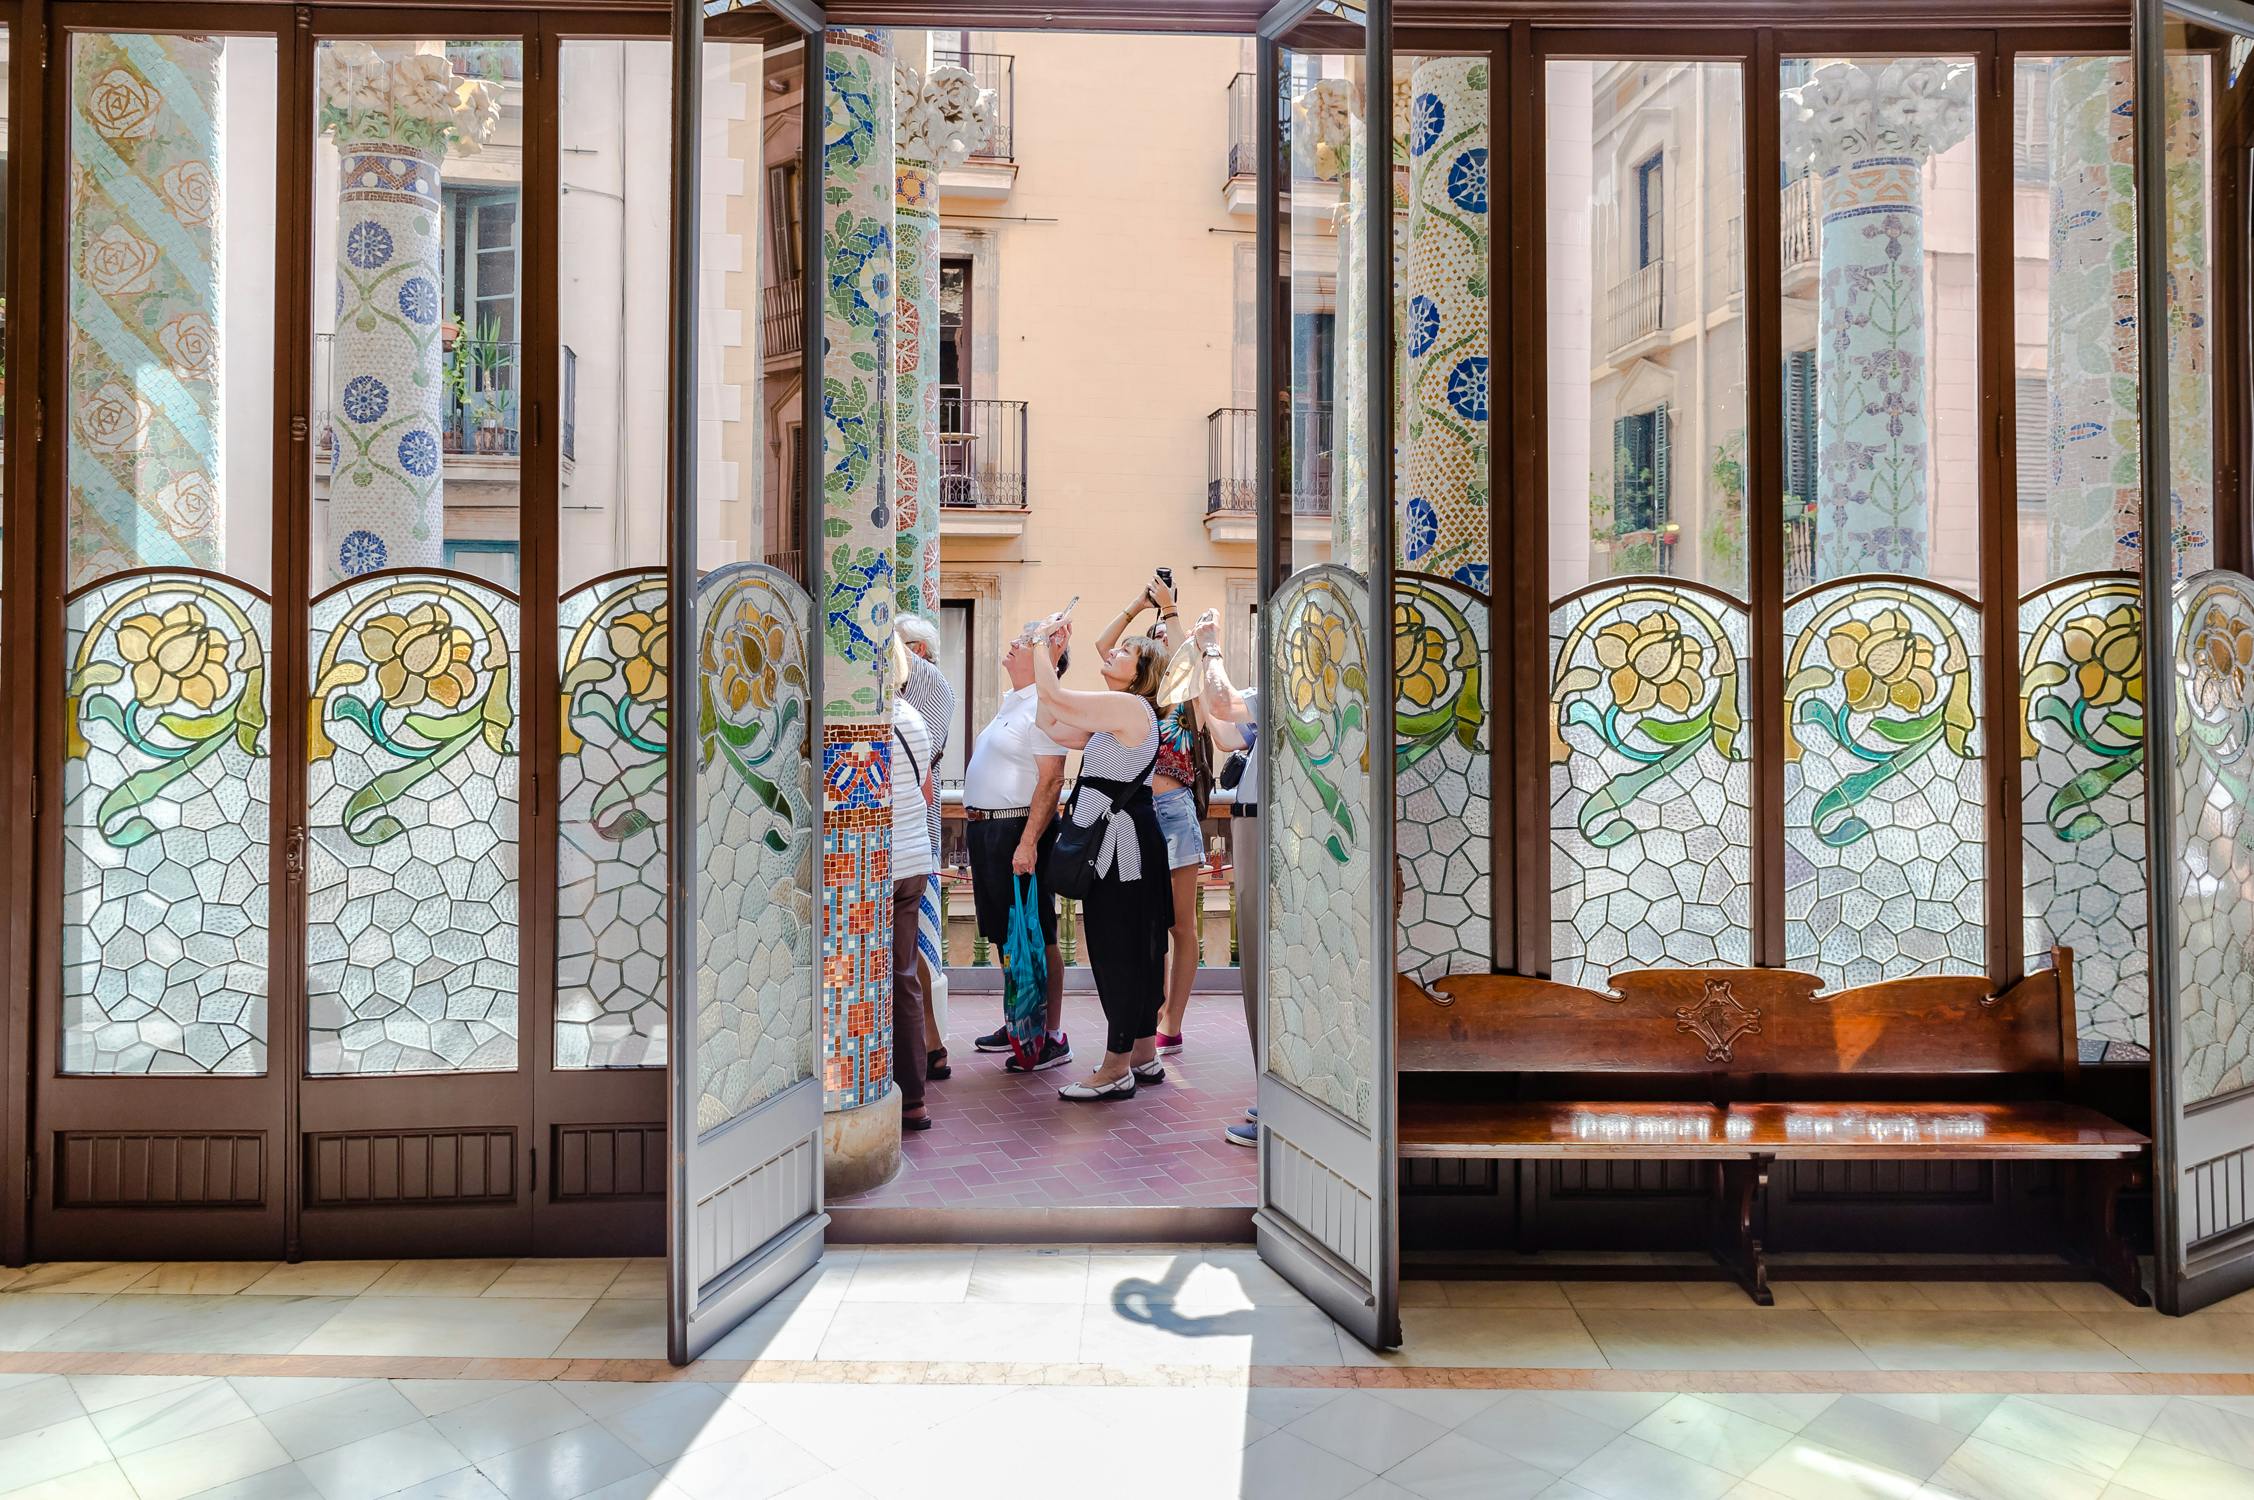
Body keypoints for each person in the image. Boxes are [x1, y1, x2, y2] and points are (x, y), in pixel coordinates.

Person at [1028, 617, 1172, 1101]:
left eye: (1125, 651)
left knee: (1117, 951)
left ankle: (1115, 1068)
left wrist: (1040, 644)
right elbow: (1050, 721)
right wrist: (1052, 660)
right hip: (1122, 846)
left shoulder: (1130, 707)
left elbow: (1055, 703)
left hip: (1121, 851)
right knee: (1132, 947)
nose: (1112, 653)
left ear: (1141, 672)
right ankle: (1143, 1054)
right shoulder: (1117, 716)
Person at [1093, 577, 1209, 1056]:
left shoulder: (1185, 702)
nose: (1162, 641)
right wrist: (1139, 604)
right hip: (1138, 814)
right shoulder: (1132, 701)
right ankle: (1150, 1014)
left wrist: (1172, 610)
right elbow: (1103, 648)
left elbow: (1192, 669)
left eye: (1168, 639)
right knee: (1148, 923)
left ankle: (1172, 1021)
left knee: (1181, 924)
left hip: (1174, 811)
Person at [962, 626, 1073, 1072]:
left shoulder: (1045, 705)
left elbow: (1052, 779)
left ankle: (1051, 1035)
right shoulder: (1013, 702)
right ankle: (1020, 1021)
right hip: (987, 831)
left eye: (1026, 643)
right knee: (1007, 933)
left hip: (1018, 830)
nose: (1012, 644)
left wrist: (1028, 842)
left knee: (1038, 931)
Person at [1194, 608, 1260, 1148]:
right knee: (1256, 970)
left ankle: (1277, 1105)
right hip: (1252, 825)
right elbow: (1223, 732)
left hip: (1267, 828)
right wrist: (1195, 658)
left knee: (1263, 970)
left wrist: (1211, 647)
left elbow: (1223, 704)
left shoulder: (1294, 687)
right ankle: (1273, 1097)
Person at [895, 616, 957, 1080]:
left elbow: (923, 767)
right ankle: (927, 1047)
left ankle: (926, 1048)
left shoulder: (928, 684)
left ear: (915, 650)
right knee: (909, 950)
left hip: (911, 836)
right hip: (913, 838)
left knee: (910, 949)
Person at [890, 693, 939, 1132]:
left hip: (882, 862)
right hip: (913, 858)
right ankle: (913, 1097)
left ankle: (887, 1090)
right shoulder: (912, 716)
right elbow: (925, 790)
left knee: (872, 976)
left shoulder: (869, 718)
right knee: (903, 975)